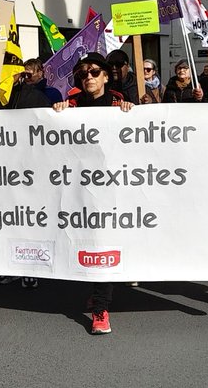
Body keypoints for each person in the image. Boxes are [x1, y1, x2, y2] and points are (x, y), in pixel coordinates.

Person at [51, 52, 134, 335]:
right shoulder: (71, 105)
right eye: (83, 73)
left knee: (102, 242)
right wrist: (58, 113)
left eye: (95, 72)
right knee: (85, 241)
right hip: (78, 186)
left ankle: (101, 309)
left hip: (111, 188)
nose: (88, 77)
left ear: (106, 76)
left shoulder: (117, 103)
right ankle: (97, 290)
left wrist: (131, 112)